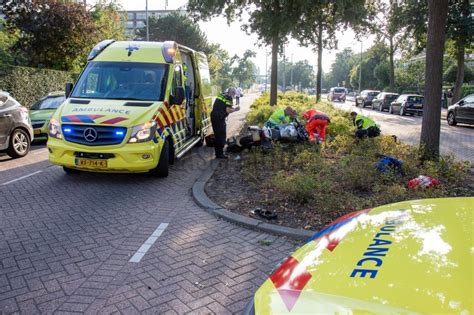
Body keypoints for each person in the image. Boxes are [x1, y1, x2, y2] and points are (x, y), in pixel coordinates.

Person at [211, 88, 240, 159]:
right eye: (234, 94)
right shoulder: (228, 98)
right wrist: (235, 109)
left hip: (214, 116)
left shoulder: (222, 95)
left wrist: (231, 107)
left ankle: (218, 152)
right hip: (219, 118)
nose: (233, 96)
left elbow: (223, 105)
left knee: (217, 134)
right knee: (221, 135)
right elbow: (228, 110)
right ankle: (219, 154)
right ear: (232, 93)